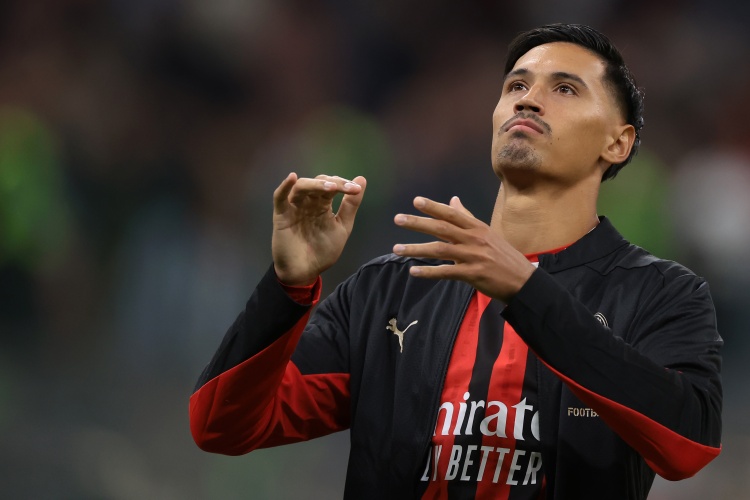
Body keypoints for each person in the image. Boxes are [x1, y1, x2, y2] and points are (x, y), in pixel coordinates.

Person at [189, 24, 722, 499]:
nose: (528, 101)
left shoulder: (662, 294)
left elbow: (689, 445)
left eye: (564, 88)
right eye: (516, 86)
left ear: (618, 142)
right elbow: (219, 426)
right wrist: (286, 288)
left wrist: (528, 292)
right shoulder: (390, 290)